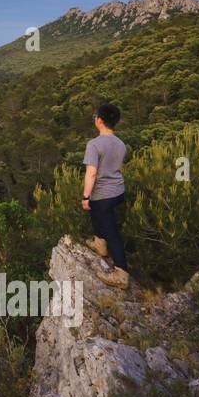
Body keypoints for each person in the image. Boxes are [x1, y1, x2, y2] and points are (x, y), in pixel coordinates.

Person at [82, 102, 129, 288]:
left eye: (96, 116)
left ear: (99, 121)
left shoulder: (94, 145)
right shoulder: (121, 144)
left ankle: (121, 273)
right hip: (118, 191)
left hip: (104, 194)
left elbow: (91, 173)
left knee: (112, 233)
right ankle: (99, 244)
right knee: (97, 212)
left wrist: (85, 197)